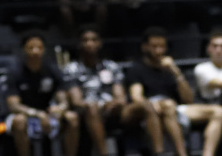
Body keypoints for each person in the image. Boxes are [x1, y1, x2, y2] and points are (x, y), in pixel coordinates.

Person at [125, 28, 222, 156]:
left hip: (175, 109)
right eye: (154, 46)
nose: (158, 51)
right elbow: (137, 97)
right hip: (151, 111)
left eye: (162, 46)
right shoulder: (137, 68)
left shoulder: (169, 69)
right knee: (168, 105)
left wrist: (175, 71)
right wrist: (153, 106)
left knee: (218, 111)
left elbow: (188, 100)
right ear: (145, 47)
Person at [63, 27, 159, 156]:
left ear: (100, 43)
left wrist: (115, 103)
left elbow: (120, 96)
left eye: (93, 40)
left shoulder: (111, 66)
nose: (90, 43)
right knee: (92, 109)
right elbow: (77, 101)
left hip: (112, 110)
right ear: (80, 44)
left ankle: (159, 152)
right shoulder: (71, 69)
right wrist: (98, 105)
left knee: (145, 105)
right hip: (87, 112)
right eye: (85, 40)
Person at [5, 33, 79, 156]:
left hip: (48, 113)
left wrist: (60, 108)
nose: (35, 51)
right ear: (24, 50)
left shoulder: (52, 70)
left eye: (39, 47)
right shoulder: (15, 72)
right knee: (19, 121)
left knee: (72, 117)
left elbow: (63, 99)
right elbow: (14, 106)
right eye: (31, 48)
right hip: (26, 114)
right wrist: (37, 114)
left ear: (44, 49)